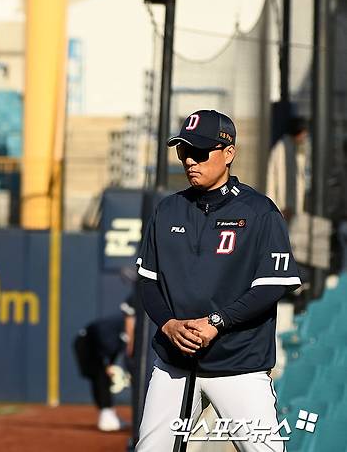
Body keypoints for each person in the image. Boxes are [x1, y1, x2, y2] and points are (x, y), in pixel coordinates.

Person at [135, 109, 301, 452]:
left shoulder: (260, 212)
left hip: (238, 362)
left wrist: (217, 322)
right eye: (184, 151)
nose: (190, 160)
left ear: (229, 153)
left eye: (200, 152)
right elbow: (148, 281)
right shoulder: (168, 210)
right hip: (175, 363)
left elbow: (271, 286)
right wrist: (167, 324)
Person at [73, 294, 135, 432]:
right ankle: (106, 416)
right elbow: (99, 338)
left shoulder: (127, 329)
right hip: (86, 343)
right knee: (100, 377)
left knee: (103, 377)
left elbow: (116, 349)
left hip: (95, 346)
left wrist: (110, 364)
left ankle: (108, 414)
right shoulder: (119, 324)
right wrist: (106, 364)